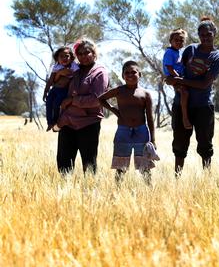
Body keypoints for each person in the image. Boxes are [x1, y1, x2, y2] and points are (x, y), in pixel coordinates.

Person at [165, 17, 219, 175]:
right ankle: (177, 176)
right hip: (181, 104)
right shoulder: (190, 50)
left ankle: (207, 177)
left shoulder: (217, 58)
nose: (205, 37)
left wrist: (179, 81)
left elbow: (204, 84)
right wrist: (173, 82)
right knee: (179, 143)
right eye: (202, 34)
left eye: (208, 34)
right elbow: (178, 70)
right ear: (198, 35)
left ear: (214, 34)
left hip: (203, 106)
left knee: (205, 143)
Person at [56, 38, 109, 174]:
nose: (83, 56)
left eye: (87, 52)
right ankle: (64, 194)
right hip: (68, 123)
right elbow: (59, 87)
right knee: (64, 164)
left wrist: (72, 101)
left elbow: (96, 99)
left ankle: (89, 193)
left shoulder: (100, 72)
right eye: (80, 54)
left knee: (89, 164)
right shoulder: (74, 71)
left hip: (88, 123)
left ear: (94, 53)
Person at [99, 61, 156, 183]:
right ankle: (118, 190)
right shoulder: (119, 90)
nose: (130, 75)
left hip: (141, 130)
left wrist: (153, 140)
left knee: (144, 165)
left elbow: (150, 118)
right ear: (123, 75)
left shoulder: (145, 94)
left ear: (139, 74)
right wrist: (114, 110)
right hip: (123, 131)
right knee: (121, 165)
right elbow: (101, 99)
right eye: (127, 73)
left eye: (133, 72)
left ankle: (149, 190)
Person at [43, 46, 79, 131]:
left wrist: (75, 90)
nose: (64, 58)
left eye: (67, 56)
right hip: (54, 89)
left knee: (56, 104)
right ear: (57, 58)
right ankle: (49, 122)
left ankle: (55, 121)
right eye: (61, 56)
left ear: (71, 58)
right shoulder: (56, 66)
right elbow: (51, 80)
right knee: (48, 104)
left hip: (63, 91)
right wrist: (45, 91)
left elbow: (77, 78)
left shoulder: (74, 66)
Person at [163, 28, 191, 130]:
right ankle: (185, 117)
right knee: (184, 92)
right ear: (171, 41)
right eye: (176, 40)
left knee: (186, 92)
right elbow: (169, 67)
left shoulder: (179, 52)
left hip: (179, 76)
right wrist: (178, 78)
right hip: (172, 76)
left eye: (181, 40)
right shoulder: (170, 52)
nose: (179, 42)